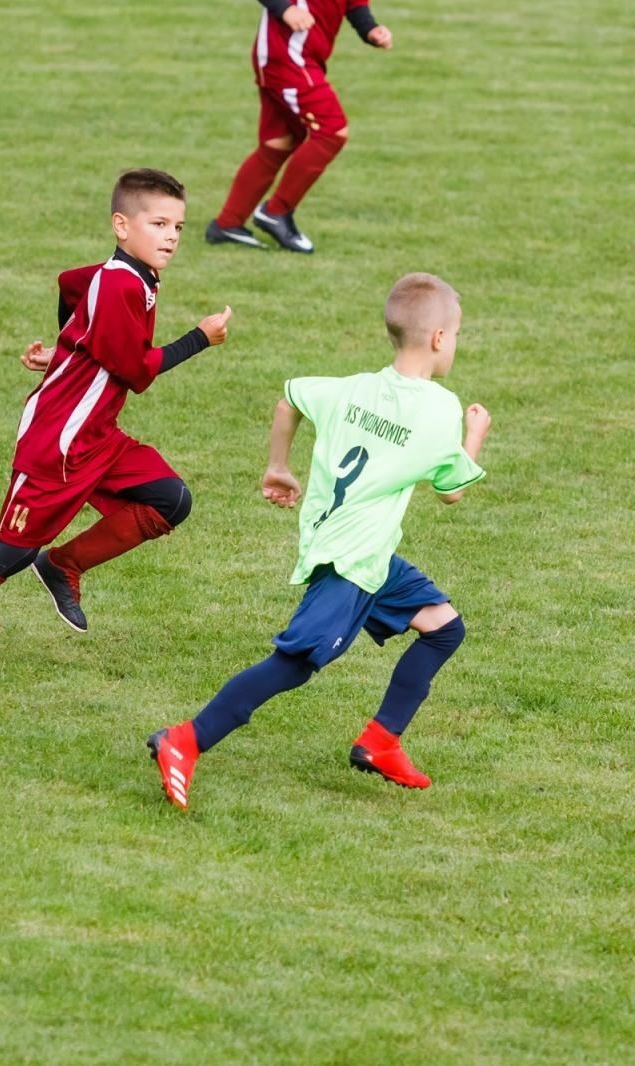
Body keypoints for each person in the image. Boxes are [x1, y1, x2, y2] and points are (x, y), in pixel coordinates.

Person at [148, 272, 490, 810]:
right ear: (440, 339)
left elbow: (291, 398)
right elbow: (450, 491)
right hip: (353, 560)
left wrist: (278, 467)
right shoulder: (438, 410)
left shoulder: (351, 387)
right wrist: (475, 435)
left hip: (358, 549)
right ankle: (185, 739)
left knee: (444, 628)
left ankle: (381, 742)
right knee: (296, 663)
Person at [0, 168, 233, 669]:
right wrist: (199, 338)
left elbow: (72, 286)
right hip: (59, 442)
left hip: (97, 436)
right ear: (121, 225)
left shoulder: (130, 275)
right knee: (10, 553)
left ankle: (64, 565)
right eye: (158, 224)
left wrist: (69, 350)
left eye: (178, 226)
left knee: (169, 499)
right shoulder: (120, 287)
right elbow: (136, 371)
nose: (171, 236)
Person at [205, 0, 394, 254]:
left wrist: (370, 29)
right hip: (287, 58)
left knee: (279, 142)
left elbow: (354, 4)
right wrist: (284, 8)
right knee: (332, 132)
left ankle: (227, 224)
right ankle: (277, 211)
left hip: (301, 59)